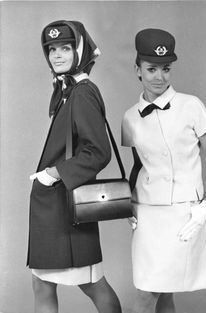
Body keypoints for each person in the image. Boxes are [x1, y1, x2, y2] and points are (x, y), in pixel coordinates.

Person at [121, 28, 206, 313]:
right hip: (146, 215)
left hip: (184, 215)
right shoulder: (129, 117)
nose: (159, 77)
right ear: (137, 70)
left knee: (149, 294)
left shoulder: (192, 106)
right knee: (162, 294)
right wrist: (126, 203)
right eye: (151, 69)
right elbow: (137, 166)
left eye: (166, 69)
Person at [27, 20, 122, 313]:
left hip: (67, 205)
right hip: (52, 208)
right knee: (42, 283)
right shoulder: (68, 90)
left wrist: (52, 175)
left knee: (92, 283)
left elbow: (98, 152)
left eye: (65, 48)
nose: (57, 55)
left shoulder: (82, 91)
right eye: (52, 49)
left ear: (79, 50)